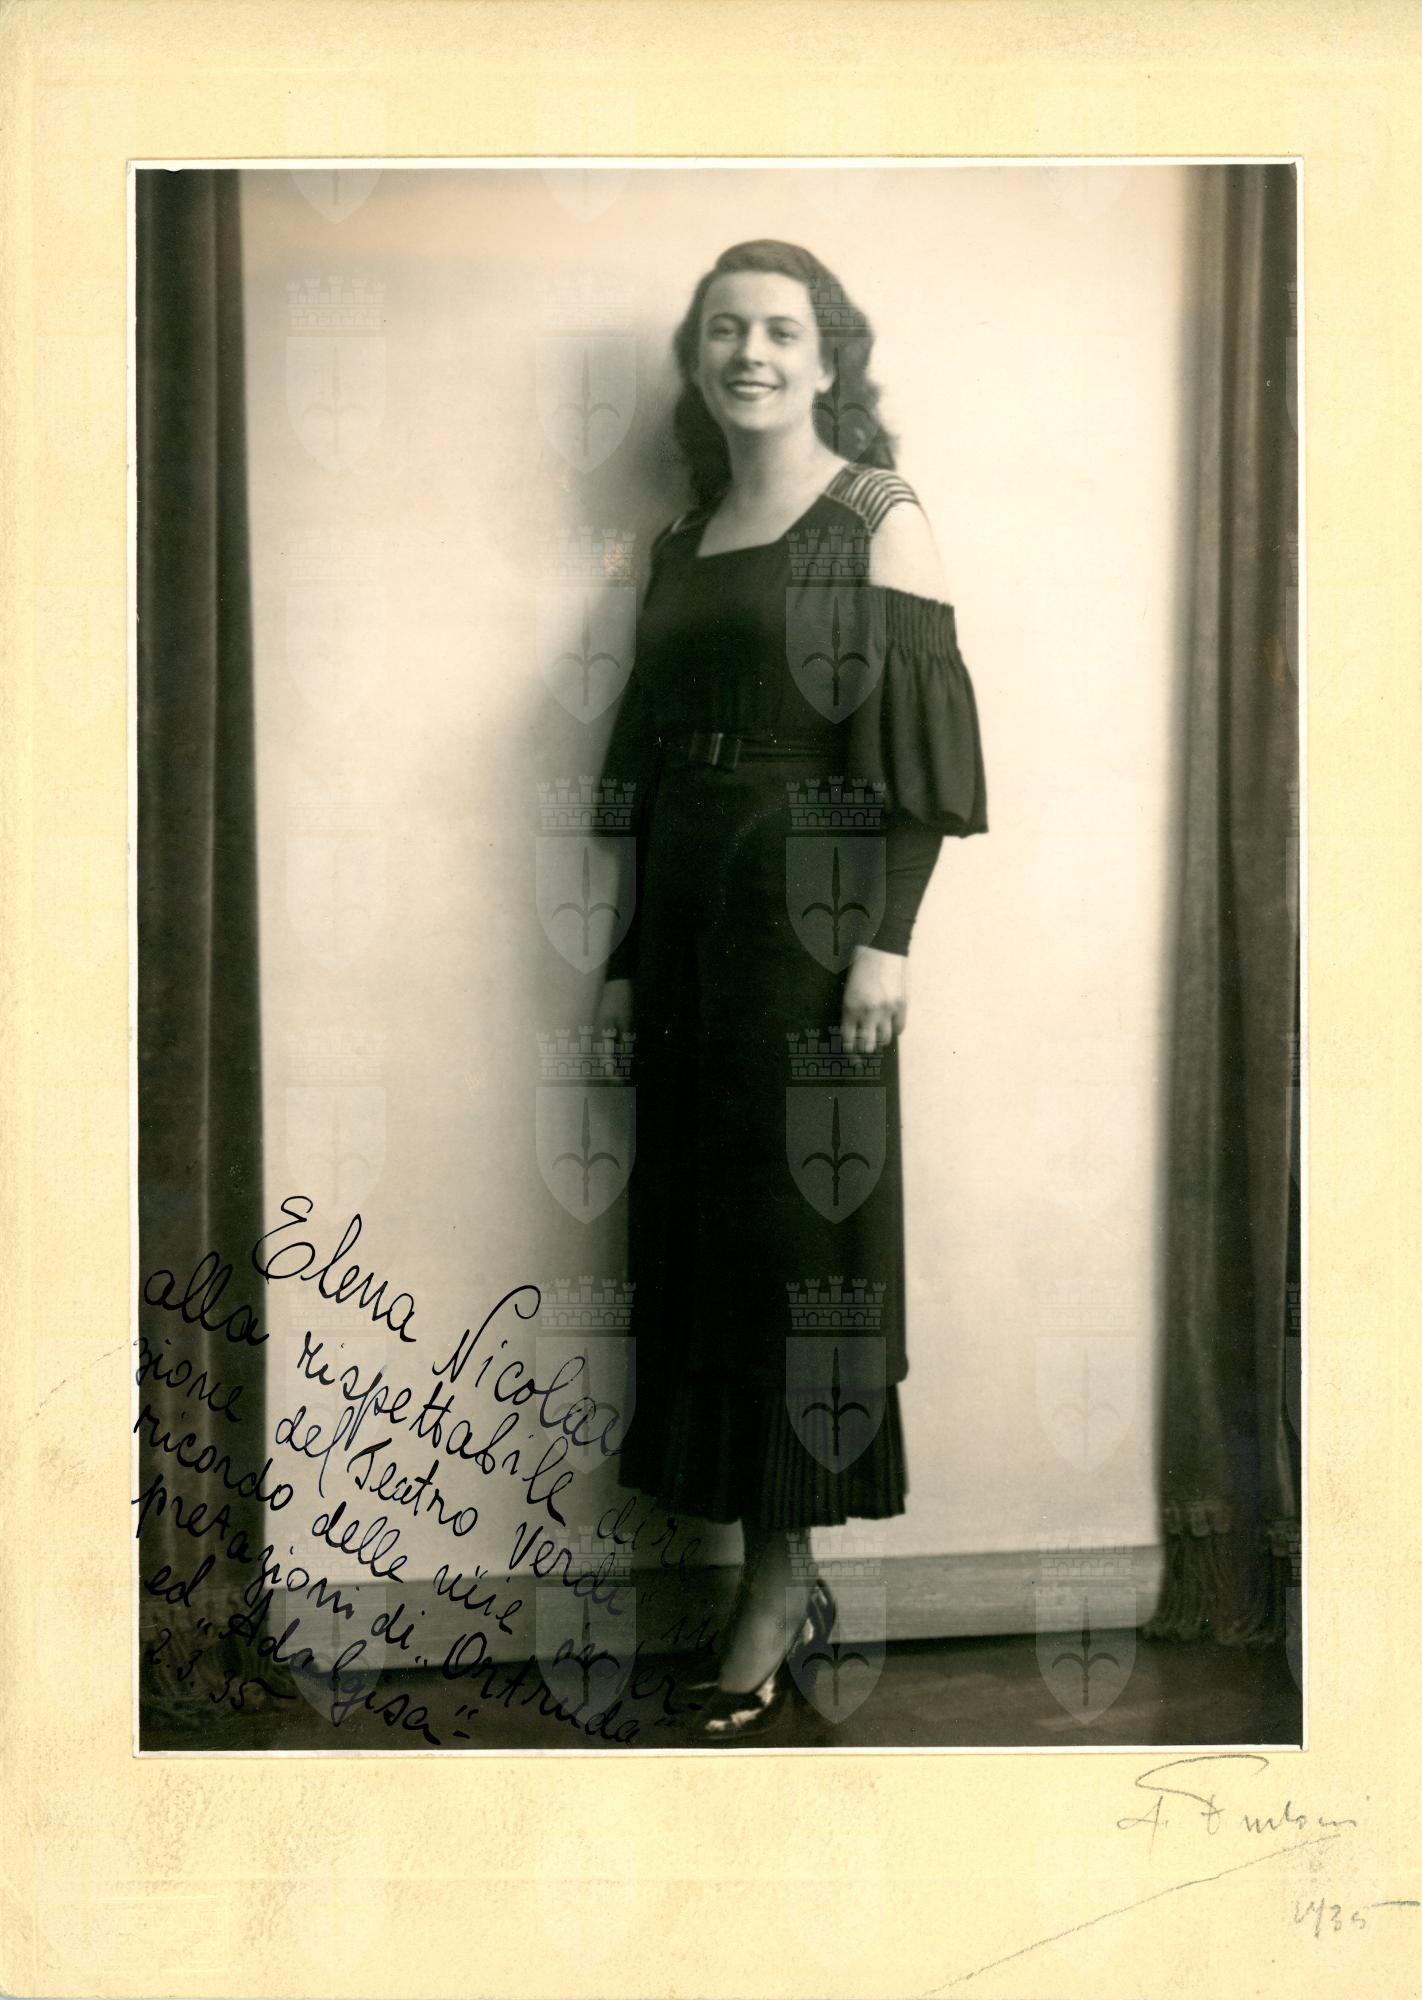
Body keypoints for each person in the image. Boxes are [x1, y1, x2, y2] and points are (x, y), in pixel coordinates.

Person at [595, 239, 987, 1743]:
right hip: (691, 934)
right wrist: (627, 960)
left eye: (777, 330)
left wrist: (887, 942)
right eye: (722, 331)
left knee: (794, 1248)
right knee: (702, 1243)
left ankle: (778, 1587)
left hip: (813, 931)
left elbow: (917, 761)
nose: (747, 354)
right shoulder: (683, 536)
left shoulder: (878, 516)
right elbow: (648, 769)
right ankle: (758, 1568)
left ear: (828, 358)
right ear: (697, 360)